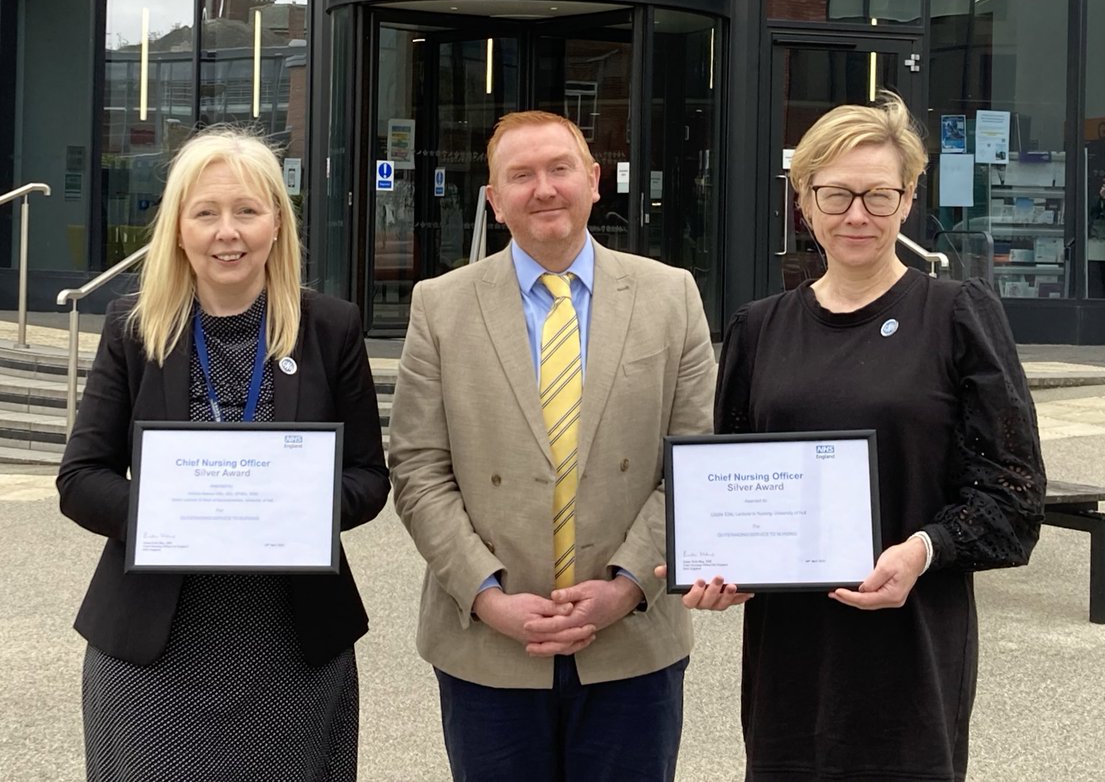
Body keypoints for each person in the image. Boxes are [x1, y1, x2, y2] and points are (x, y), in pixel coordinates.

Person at [672, 93, 1045, 782]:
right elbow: (728, 485)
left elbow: (1014, 498)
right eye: (836, 194)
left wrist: (925, 550)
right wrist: (717, 566)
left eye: (879, 195)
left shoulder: (957, 315)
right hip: (790, 660)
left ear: (908, 201)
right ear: (804, 201)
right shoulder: (759, 329)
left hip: (912, 651)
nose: (856, 215)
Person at [389, 110, 716, 782]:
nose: (544, 189)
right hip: (489, 645)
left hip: (632, 641)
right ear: (494, 199)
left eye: (560, 168)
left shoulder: (670, 296)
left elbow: (695, 458)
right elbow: (419, 466)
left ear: (595, 181)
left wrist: (627, 585)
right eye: (521, 175)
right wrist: (486, 596)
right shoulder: (441, 306)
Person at [57, 126, 389, 782]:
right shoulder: (133, 328)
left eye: (247, 211)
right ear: (179, 228)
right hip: (153, 656)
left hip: (291, 652)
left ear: (276, 224)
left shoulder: (330, 328)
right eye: (205, 213)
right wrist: (176, 519)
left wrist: (287, 509)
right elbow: (81, 478)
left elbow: (368, 479)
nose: (227, 231)